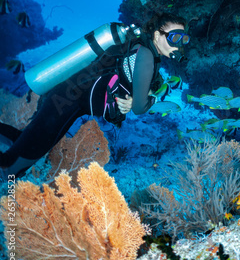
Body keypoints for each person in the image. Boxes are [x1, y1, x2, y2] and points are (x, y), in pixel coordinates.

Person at [0, 12, 189, 177]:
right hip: (66, 102)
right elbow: (140, 107)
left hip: (67, 99)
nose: (178, 45)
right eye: (174, 37)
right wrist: (150, 99)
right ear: (157, 34)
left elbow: (130, 83)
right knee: (14, 164)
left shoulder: (143, 49)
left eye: (183, 39)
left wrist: (135, 98)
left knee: (24, 142)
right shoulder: (146, 55)